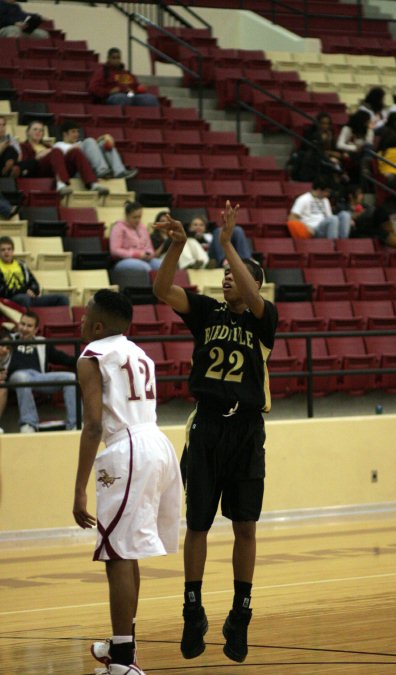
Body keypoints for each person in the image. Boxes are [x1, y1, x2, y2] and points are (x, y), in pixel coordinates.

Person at [153, 202, 278, 664]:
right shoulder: (206, 312)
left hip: (246, 430)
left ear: (255, 285)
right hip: (206, 426)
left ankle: (240, 614)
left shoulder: (264, 321)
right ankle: (192, 610)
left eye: (238, 274)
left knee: (245, 526)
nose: (229, 278)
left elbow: (252, 290)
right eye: (225, 273)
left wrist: (228, 245)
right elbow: (162, 288)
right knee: (198, 524)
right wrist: (177, 245)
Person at [72, 289, 182, 675]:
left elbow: (93, 425)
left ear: (98, 325)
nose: (80, 320)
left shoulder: (92, 355)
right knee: (126, 550)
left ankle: (122, 664)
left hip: (127, 449)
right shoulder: (140, 353)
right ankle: (124, 647)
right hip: (157, 443)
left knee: (116, 555)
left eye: (85, 315)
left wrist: (79, 488)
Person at [7, 310, 77, 432]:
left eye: (29, 326)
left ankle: (75, 424)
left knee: (71, 378)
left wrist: (83, 361)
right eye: (22, 324)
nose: (24, 328)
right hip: (16, 376)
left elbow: (63, 358)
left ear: (35, 330)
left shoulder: (42, 342)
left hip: (38, 377)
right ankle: (29, 424)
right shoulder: (8, 340)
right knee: (23, 379)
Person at [20, 121, 109, 196]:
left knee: (75, 151)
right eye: (35, 129)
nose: (38, 132)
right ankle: (61, 184)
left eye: (41, 130)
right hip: (39, 170)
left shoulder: (47, 146)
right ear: (28, 132)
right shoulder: (23, 146)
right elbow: (23, 166)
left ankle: (93, 183)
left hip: (55, 168)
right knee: (56, 151)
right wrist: (37, 157)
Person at [53, 120, 137, 181]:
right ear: (64, 134)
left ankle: (119, 172)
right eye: (73, 132)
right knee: (89, 140)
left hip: (91, 166)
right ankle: (102, 170)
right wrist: (80, 145)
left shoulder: (81, 143)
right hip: (77, 171)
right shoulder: (59, 145)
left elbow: (93, 147)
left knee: (105, 143)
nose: (77, 134)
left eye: (77, 132)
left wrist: (104, 137)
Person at [0, 235, 70, 308]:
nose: (6, 252)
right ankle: (29, 319)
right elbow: (3, 291)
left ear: (13, 250)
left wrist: (32, 290)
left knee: (62, 299)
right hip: (9, 301)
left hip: (28, 298)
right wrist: (24, 291)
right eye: (3, 250)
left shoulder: (21, 265)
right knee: (23, 299)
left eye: (9, 249)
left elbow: (35, 284)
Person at [109, 202, 164, 289]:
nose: (137, 220)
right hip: (124, 260)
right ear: (127, 216)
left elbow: (149, 247)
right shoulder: (118, 227)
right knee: (145, 267)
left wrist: (149, 254)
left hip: (144, 258)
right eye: (134, 217)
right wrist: (136, 254)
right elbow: (115, 250)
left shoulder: (142, 227)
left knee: (163, 264)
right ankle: (147, 292)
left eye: (139, 217)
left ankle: (162, 292)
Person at [349, 187, 396, 255]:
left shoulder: (365, 205)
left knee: (381, 211)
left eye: (362, 194)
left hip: (369, 222)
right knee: (378, 232)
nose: (362, 196)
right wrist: (356, 215)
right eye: (359, 194)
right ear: (350, 196)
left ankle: (392, 235)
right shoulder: (344, 207)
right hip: (357, 228)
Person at [89, 48, 159, 107]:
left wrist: (140, 88)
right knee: (122, 98)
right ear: (108, 59)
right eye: (114, 58)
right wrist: (109, 91)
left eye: (118, 58)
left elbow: (136, 86)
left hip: (130, 95)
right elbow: (93, 88)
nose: (117, 60)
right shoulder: (102, 72)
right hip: (112, 96)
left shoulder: (126, 73)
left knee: (150, 99)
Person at [287, 176, 352, 239]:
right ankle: (333, 245)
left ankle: (343, 243)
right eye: (327, 191)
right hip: (314, 229)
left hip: (326, 226)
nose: (328, 194)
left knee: (345, 214)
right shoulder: (303, 199)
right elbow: (291, 218)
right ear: (318, 190)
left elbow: (329, 216)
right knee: (333, 219)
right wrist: (306, 227)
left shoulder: (325, 200)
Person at [0, 325, 12, 433]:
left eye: (8, 347)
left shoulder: (12, 357)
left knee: (3, 387)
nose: (5, 350)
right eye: (2, 345)